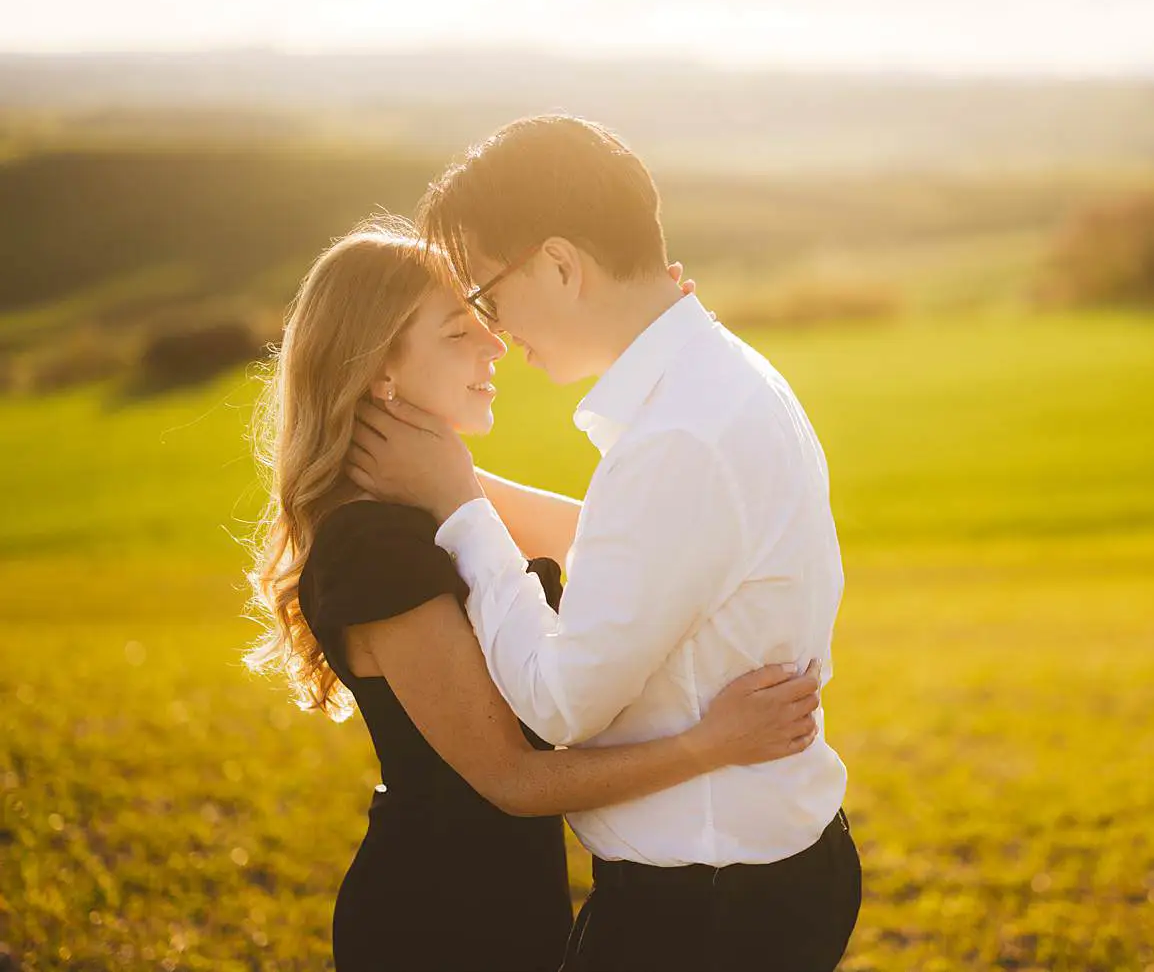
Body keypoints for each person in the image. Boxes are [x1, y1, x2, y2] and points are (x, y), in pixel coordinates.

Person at [347, 116, 861, 972]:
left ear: (560, 265)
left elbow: (559, 703)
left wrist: (459, 508)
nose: (495, 332)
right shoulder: (722, 378)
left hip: (707, 906)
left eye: (487, 294)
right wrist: (453, 478)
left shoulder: (679, 435)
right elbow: (629, 551)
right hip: (752, 874)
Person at [246, 216, 823, 972]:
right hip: (438, 925)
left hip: (511, 905)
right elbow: (513, 780)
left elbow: (619, 544)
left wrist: (653, 336)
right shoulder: (372, 548)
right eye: (458, 331)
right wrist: (710, 745)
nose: (494, 345)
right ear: (380, 371)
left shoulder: (429, 504)